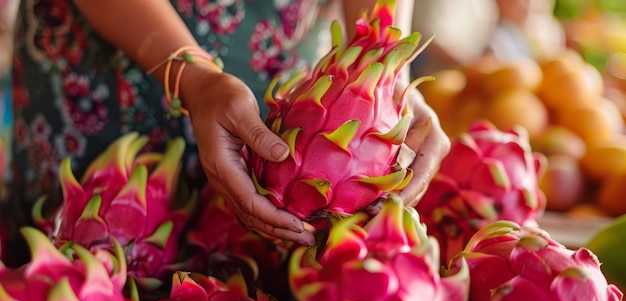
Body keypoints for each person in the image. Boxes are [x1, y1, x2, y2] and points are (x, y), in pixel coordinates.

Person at [6, 0, 450, 247]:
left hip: (286, 82)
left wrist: (386, 79)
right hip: (109, 65)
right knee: (86, 256)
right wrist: (192, 78)